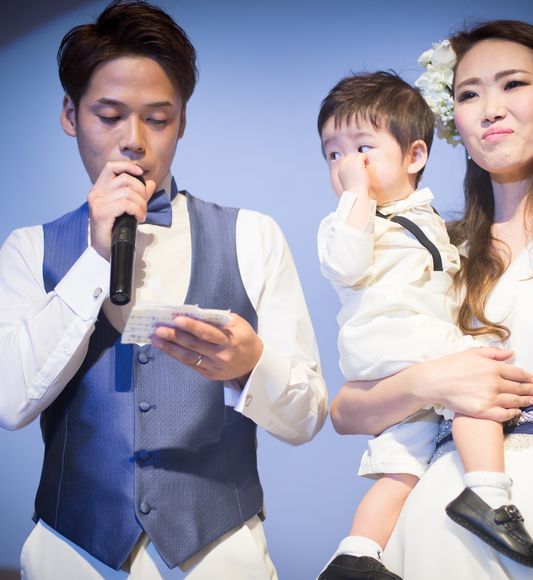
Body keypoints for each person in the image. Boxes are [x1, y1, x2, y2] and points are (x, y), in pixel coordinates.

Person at [0, 1, 327, 578]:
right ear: (71, 115)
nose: (134, 141)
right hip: (70, 555)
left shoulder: (252, 236)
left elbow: (306, 419)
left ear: (183, 121)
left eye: (157, 118)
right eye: (109, 115)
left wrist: (252, 365)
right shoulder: (30, 248)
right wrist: (96, 259)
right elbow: (10, 404)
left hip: (222, 555)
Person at [331, 19, 533, 580]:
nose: (490, 109)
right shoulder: (435, 250)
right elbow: (345, 411)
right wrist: (429, 382)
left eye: (513, 84)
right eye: (469, 94)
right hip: (435, 515)